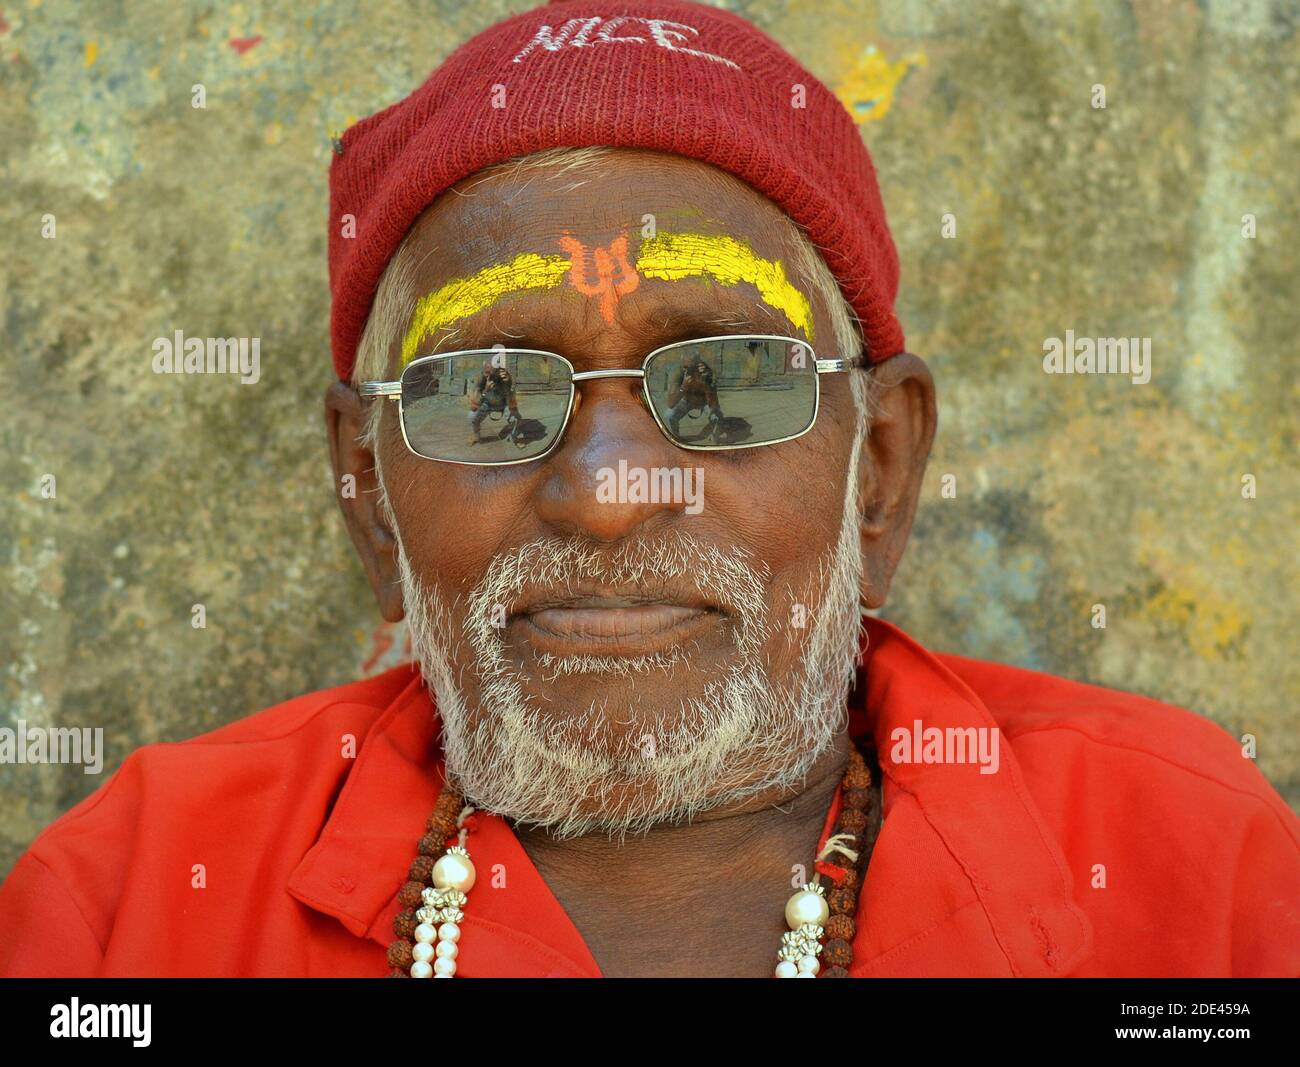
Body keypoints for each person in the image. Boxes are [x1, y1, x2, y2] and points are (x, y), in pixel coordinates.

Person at [1, 0, 1296, 979]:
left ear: (881, 467)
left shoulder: (1189, 858)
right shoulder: (128, 903)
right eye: (490, 392)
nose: (608, 492)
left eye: (725, 380)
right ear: (369, 489)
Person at [665, 348, 723, 441]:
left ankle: (714, 434)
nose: (688, 371)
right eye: (685, 367)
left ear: (698, 363)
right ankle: (675, 438)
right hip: (686, 400)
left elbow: (713, 403)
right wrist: (683, 387)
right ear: (681, 363)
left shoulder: (705, 372)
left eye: (692, 367)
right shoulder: (678, 373)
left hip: (703, 402)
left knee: (716, 415)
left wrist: (706, 383)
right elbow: (670, 404)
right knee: (669, 414)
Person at [468, 357, 523, 447]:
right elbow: (474, 406)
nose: (490, 375)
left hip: (503, 404)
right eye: (487, 371)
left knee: (516, 418)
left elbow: (512, 401)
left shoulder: (504, 376)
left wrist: (509, 383)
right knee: (472, 416)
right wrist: (485, 390)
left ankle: (514, 438)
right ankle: (476, 437)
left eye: (494, 370)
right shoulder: (479, 378)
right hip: (486, 404)